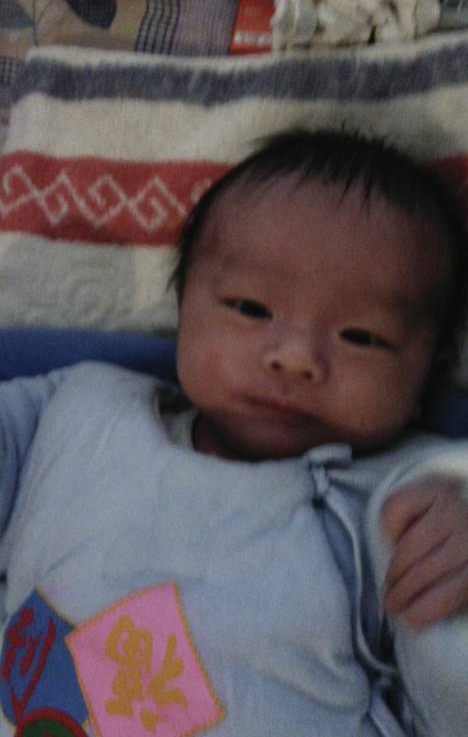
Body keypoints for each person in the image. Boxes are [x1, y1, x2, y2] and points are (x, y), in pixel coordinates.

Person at [0, 129, 467, 737]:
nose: (294, 358)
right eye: (250, 308)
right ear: (183, 305)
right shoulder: (80, 408)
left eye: (361, 337)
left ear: (428, 370)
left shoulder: (405, 498)